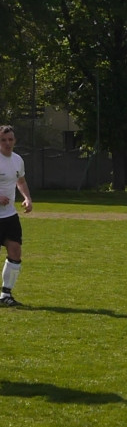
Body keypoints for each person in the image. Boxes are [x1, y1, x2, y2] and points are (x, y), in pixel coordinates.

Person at [0, 126, 33, 306]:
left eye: (10, 139)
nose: (7, 143)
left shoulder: (17, 160)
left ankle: (5, 295)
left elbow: (21, 181)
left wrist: (27, 198)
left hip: (10, 216)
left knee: (15, 251)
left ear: (15, 141)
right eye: (3, 140)